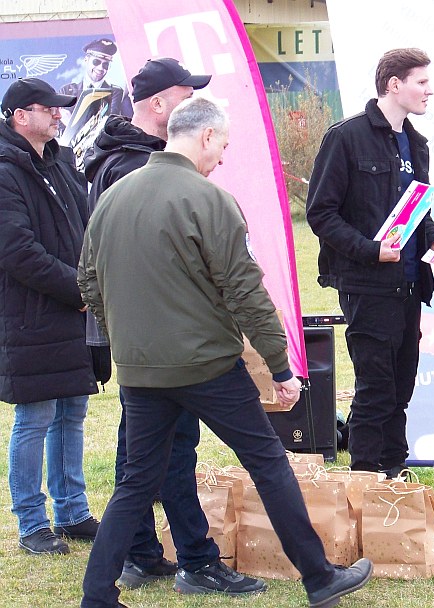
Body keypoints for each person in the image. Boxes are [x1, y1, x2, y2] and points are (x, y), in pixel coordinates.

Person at [77, 96, 372, 608]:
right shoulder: (210, 199)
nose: (222, 158)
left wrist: (125, 337)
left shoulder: (113, 196)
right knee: (268, 462)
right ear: (206, 136)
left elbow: (88, 281)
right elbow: (246, 291)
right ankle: (320, 577)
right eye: (223, 145)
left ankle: (96, 596)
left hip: (141, 370)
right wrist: (280, 365)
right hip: (207, 366)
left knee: (135, 484)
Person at [83, 57, 248, 594]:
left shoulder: (128, 158)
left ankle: (144, 553)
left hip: (147, 338)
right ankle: (186, 559)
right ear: (158, 104)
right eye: (185, 95)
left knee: (150, 452)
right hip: (162, 343)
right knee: (159, 453)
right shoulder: (131, 166)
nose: (195, 105)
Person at [306, 48, 434, 480]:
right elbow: (321, 214)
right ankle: (367, 481)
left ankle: (394, 477)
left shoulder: (417, 143)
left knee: (400, 389)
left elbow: (416, 210)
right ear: (394, 84)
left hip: (410, 285)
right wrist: (370, 250)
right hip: (366, 285)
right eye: (421, 82)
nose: (429, 90)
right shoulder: (346, 137)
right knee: (375, 390)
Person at [0, 78, 100, 555]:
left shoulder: (60, 161)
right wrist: (78, 290)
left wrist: (91, 283)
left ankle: (72, 511)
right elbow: (17, 251)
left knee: (72, 412)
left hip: (71, 311)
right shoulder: (5, 171)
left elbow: (87, 227)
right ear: (20, 115)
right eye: (50, 108)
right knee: (35, 416)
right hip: (31, 315)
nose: (59, 115)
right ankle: (32, 522)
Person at [59, 38, 132, 125]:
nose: (100, 68)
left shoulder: (114, 92)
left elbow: (109, 123)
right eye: (96, 62)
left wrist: (70, 123)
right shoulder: (67, 91)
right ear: (86, 59)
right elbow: (58, 125)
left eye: (105, 65)